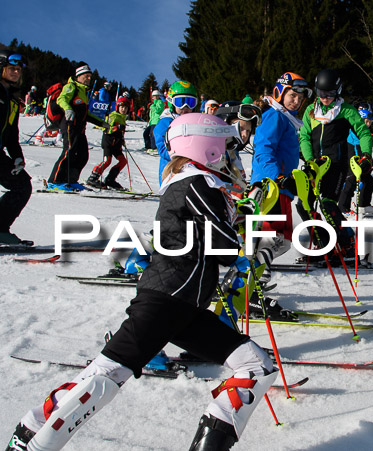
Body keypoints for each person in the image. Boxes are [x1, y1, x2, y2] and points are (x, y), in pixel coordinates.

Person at [6, 112, 279, 450]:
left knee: (255, 365)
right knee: (104, 378)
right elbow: (223, 247)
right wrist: (249, 225)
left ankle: (33, 427)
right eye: (224, 148)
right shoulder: (195, 183)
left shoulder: (195, 184)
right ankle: (33, 440)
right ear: (206, 148)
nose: (229, 157)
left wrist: (239, 216)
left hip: (184, 307)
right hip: (168, 301)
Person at [298, 68, 373, 258]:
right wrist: (309, 161)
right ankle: (323, 243)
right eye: (321, 93)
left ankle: (348, 242)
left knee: (328, 204)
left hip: (336, 165)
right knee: (303, 204)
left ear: (337, 91)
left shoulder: (346, 110)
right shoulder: (310, 111)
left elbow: (363, 133)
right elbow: (305, 137)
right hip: (315, 166)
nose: (325, 98)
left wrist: (365, 155)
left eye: (330, 94)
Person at [250, 72, 312, 285]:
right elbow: (264, 148)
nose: (296, 101)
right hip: (270, 187)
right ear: (280, 93)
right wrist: (275, 176)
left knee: (283, 241)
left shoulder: (288, 120)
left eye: (299, 98)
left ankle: (255, 276)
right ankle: (252, 285)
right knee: (271, 236)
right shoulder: (274, 116)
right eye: (292, 95)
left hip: (282, 188)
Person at [46, 62, 105, 190]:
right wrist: (68, 109)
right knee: (69, 151)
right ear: (78, 76)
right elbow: (61, 99)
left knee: (83, 155)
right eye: (86, 76)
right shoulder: (71, 86)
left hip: (80, 128)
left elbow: (86, 113)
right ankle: (54, 181)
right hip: (69, 124)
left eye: (90, 76)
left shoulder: (83, 91)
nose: (89, 79)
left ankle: (70, 180)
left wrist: (101, 123)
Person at [0, 49, 33, 246]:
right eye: (12, 69)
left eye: (18, 70)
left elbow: (12, 134)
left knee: (22, 185)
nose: (16, 73)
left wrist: (17, 157)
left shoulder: (12, 100)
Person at [338, 102, 373, 217]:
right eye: (364, 121)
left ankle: (364, 205)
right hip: (352, 149)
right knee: (351, 178)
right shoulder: (352, 129)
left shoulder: (364, 131)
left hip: (360, 150)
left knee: (368, 180)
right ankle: (342, 207)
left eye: (369, 122)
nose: (366, 124)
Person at [153, 80, 197, 183]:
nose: (185, 107)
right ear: (171, 102)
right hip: (171, 169)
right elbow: (162, 147)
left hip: (191, 168)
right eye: (180, 102)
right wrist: (181, 156)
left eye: (190, 102)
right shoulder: (166, 121)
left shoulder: (195, 122)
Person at [86, 97, 130, 190]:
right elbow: (106, 129)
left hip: (116, 145)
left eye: (126, 108)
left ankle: (110, 179)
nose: (124, 109)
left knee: (123, 161)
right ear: (117, 107)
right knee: (107, 161)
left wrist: (122, 140)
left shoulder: (122, 118)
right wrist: (116, 128)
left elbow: (120, 132)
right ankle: (92, 178)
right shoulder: (113, 116)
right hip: (109, 143)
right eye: (122, 107)